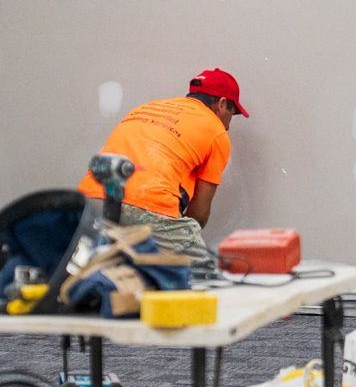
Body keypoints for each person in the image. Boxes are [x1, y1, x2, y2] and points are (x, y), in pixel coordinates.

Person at [78, 68, 247, 267]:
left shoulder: (145, 109)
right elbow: (199, 214)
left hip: (89, 203)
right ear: (222, 103)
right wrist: (180, 237)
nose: (228, 125)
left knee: (93, 271)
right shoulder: (216, 131)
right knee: (202, 276)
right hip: (148, 206)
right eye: (231, 114)